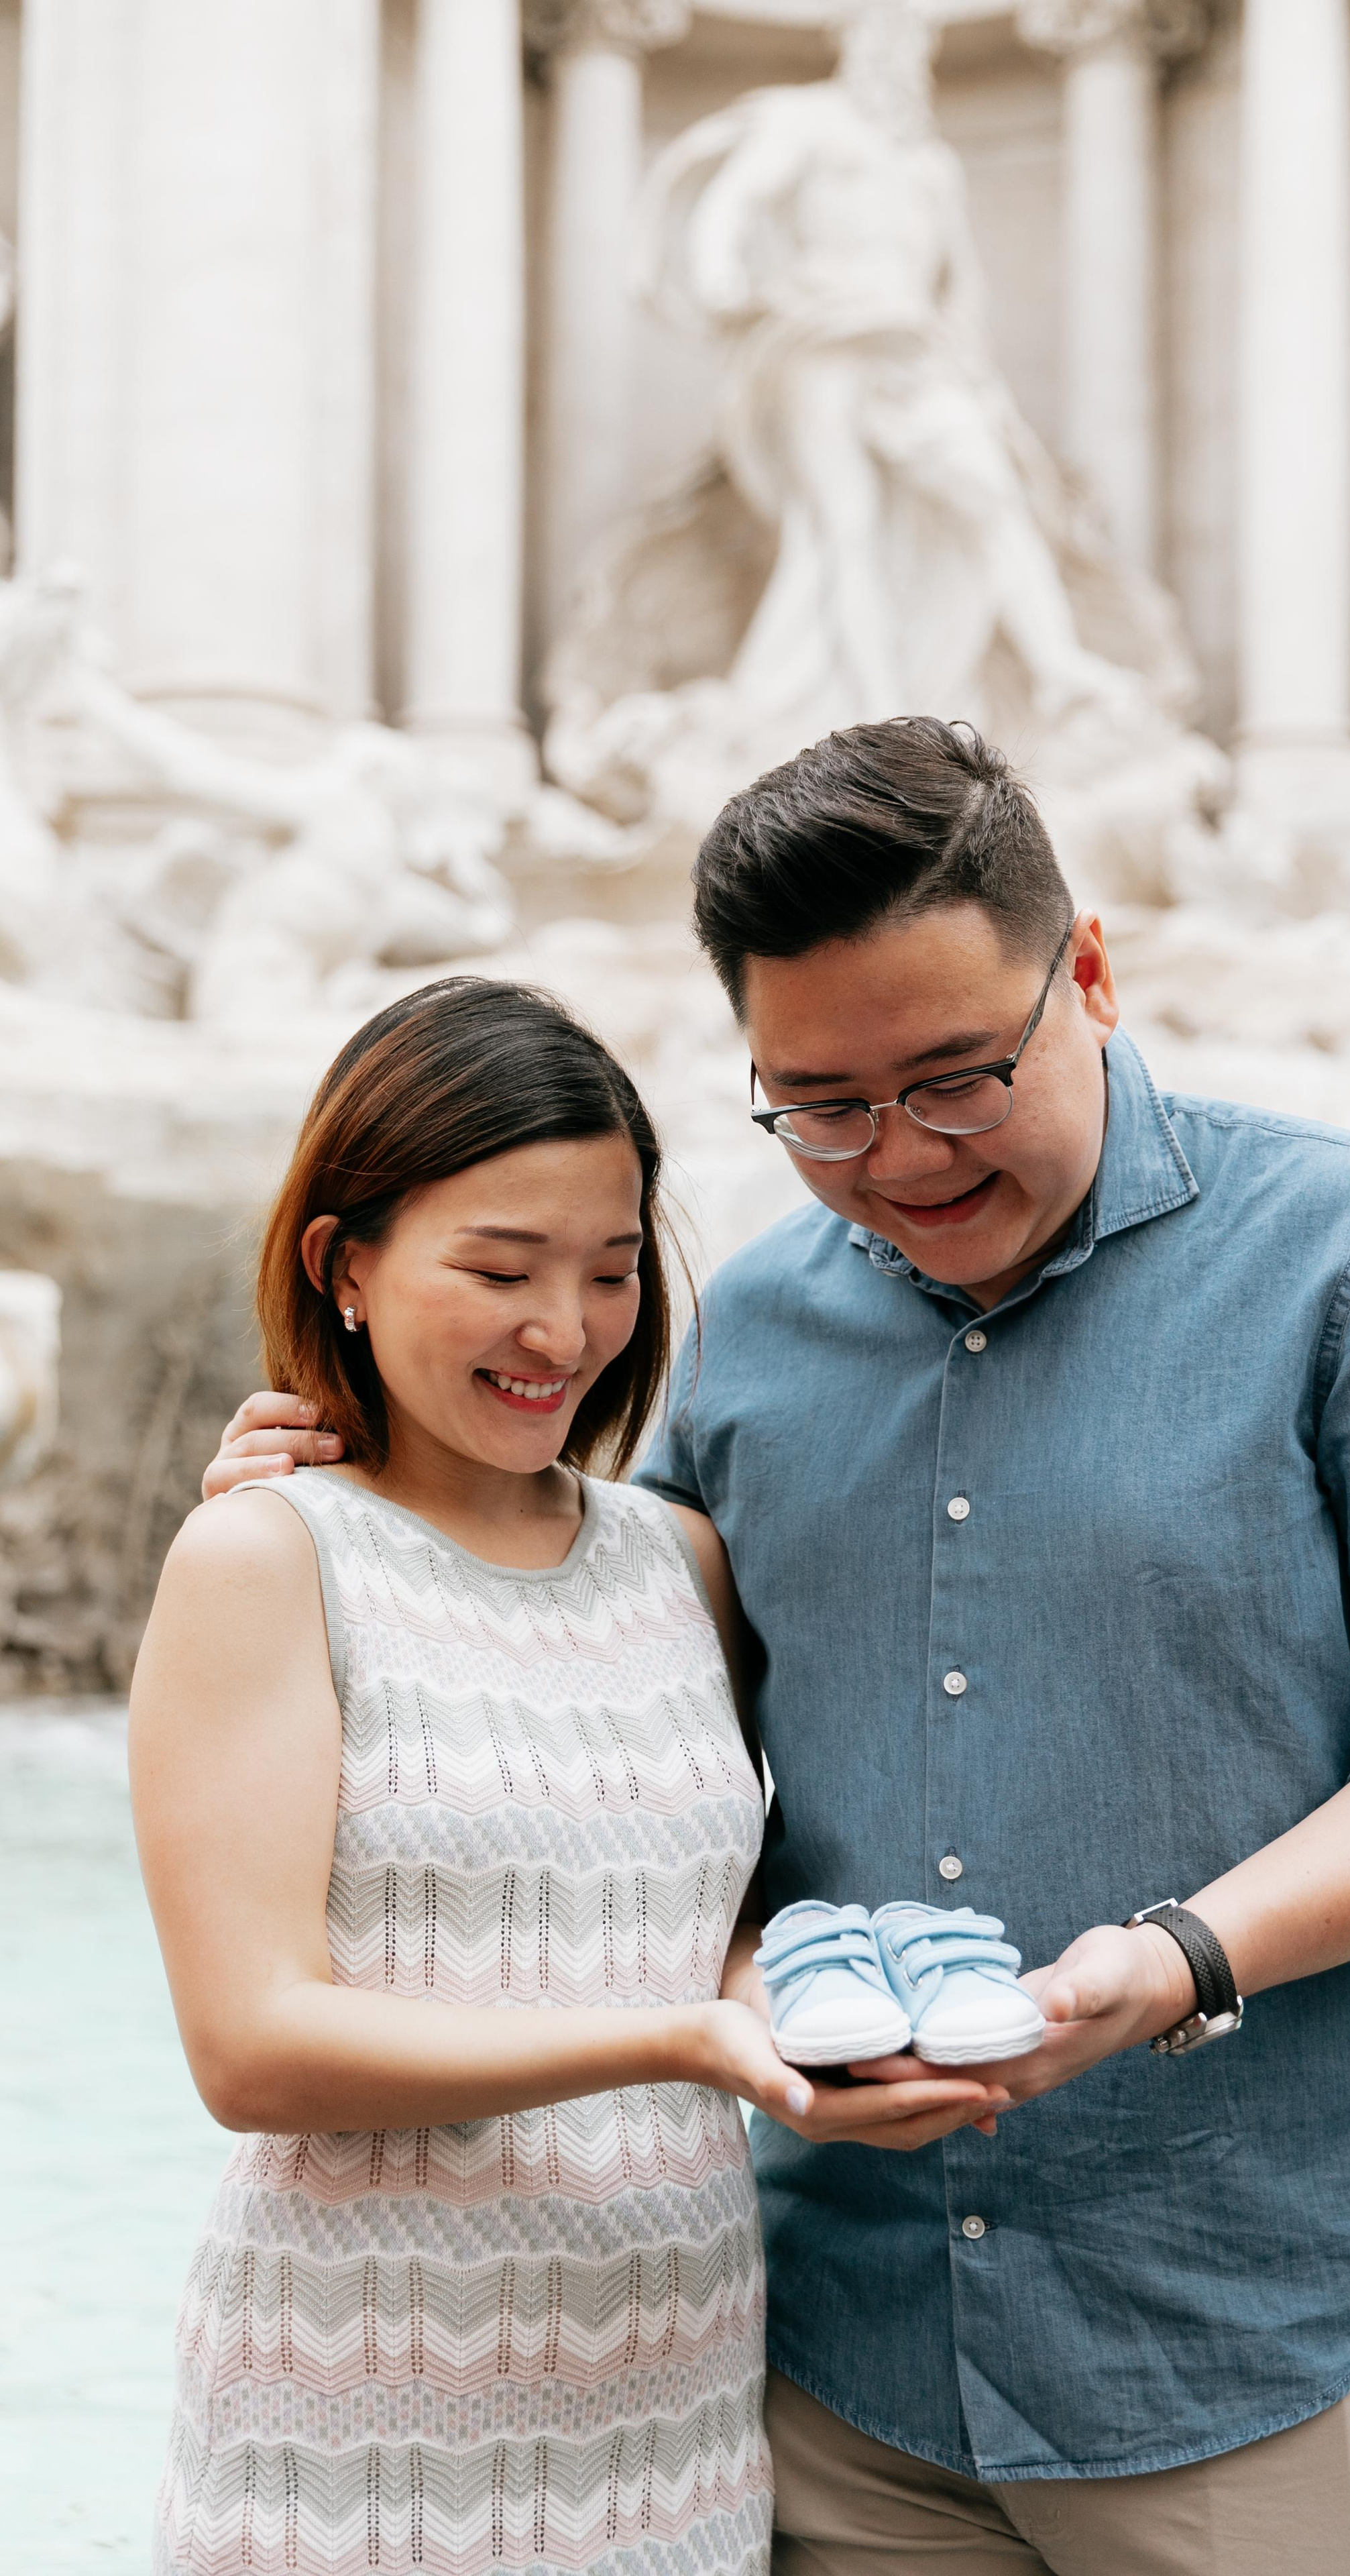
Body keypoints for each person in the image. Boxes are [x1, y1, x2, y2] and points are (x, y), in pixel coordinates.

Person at [210, 721, 1350, 2576]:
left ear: (1093, 975)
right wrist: (328, 1509)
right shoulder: (751, 1332)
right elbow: (604, 1713)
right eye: (820, 1106)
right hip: (831, 2373)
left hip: (1254, 2354)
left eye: (958, 1079)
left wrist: (1184, 1960)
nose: (898, 1158)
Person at [136, 976, 1004, 2576]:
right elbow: (253, 2049)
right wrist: (684, 2043)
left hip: (669, 2427)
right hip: (362, 2438)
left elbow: (699, 1916)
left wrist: (810, 2014)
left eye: (608, 1271)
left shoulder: (678, 1561)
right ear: (344, 1266)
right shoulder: (264, 1557)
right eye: (498, 1269)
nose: (565, 1332)